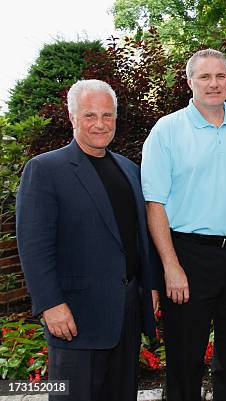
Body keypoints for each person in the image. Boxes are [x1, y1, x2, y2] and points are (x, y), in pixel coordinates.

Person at [141, 49, 226, 401]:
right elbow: (154, 204)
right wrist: (170, 267)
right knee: (185, 357)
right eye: (204, 77)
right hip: (188, 256)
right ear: (190, 82)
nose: (213, 84)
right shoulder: (167, 131)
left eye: (220, 76)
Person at [16, 80, 159, 401]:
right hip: (74, 318)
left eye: (108, 115)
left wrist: (149, 286)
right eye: (90, 115)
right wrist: (50, 304)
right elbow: (33, 245)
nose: (100, 124)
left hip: (126, 315)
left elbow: (139, 238)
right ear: (72, 118)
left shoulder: (128, 169)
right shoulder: (44, 169)